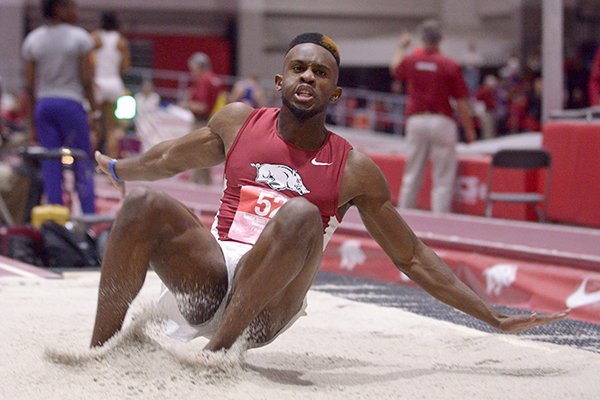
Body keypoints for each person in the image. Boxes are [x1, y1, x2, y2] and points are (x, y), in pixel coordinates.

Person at [91, 32, 568, 352]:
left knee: (300, 214)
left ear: (334, 94)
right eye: (298, 68)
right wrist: (118, 166)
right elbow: (168, 158)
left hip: (267, 306)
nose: (308, 77)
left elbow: (413, 257)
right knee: (142, 204)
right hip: (211, 278)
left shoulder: (355, 169)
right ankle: (101, 348)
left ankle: (215, 359)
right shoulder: (239, 122)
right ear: (280, 81)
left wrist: (492, 316)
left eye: (320, 74)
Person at [389, 20, 477, 214]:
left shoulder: (411, 61)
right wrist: (469, 130)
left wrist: (401, 46)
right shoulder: (449, 65)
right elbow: (461, 102)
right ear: (441, 39)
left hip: (416, 121)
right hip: (442, 122)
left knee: (412, 173)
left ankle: (405, 217)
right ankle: (439, 220)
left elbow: (395, 68)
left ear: (422, 38)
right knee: (443, 177)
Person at [21, 0, 97, 214]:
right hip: (70, 105)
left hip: (44, 106)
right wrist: (95, 111)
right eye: (71, 6)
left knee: (51, 164)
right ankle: (89, 215)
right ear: (58, 8)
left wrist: (32, 122)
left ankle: (55, 215)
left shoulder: (33, 40)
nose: (76, 10)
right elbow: (86, 79)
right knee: (82, 161)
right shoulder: (80, 38)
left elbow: (29, 85)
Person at [91, 10, 131, 158]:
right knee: (111, 129)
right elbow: (125, 67)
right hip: (114, 84)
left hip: (98, 84)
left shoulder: (95, 38)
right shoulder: (121, 41)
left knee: (94, 127)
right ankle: (111, 169)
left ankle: (88, 164)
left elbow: (88, 62)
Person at [180, 52, 221, 185]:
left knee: (196, 152)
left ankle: (196, 182)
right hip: (211, 120)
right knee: (205, 153)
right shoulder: (214, 80)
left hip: (202, 121)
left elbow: (202, 107)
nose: (192, 73)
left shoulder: (204, 81)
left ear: (199, 67)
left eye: (193, 69)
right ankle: (205, 181)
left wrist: (187, 104)